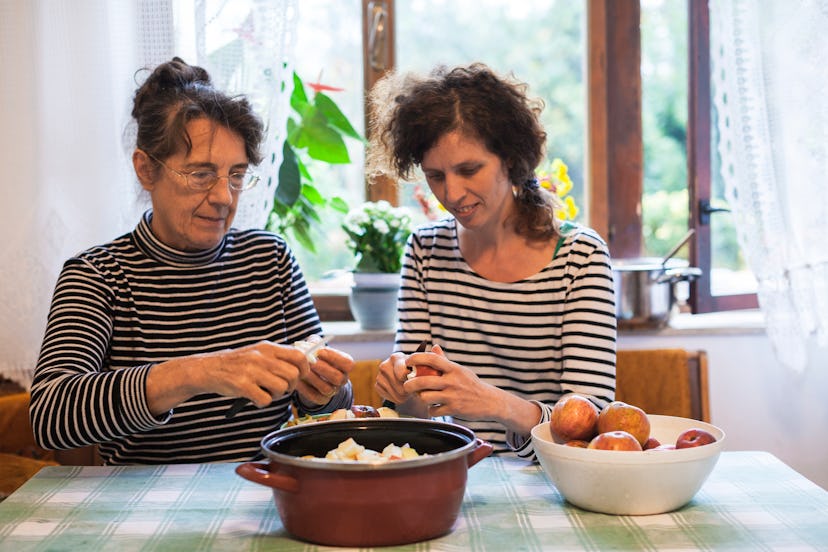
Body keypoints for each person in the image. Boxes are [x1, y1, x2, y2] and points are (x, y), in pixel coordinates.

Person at [29, 58, 354, 465]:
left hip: (264, 493)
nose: (224, 197)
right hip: (141, 506)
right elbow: (50, 416)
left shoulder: (268, 259)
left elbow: (327, 411)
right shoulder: (98, 276)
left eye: (236, 175)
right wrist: (199, 373)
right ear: (146, 169)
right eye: (201, 174)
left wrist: (322, 392)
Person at [369, 63, 616, 458]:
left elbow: (591, 428)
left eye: (469, 170)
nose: (452, 193)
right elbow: (417, 421)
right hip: (454, 476)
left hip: (552, 486)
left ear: (511, 158)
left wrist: (492, 403)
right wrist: (404, 389)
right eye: (435, 175)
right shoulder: (425, 252)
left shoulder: (578, 257)